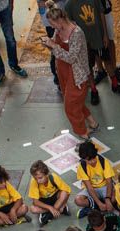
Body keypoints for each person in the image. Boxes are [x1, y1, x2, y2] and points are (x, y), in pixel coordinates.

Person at [40, 3, 94, 139]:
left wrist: (53, 46)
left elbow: (71, 58)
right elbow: (55, 48)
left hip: (77, 74)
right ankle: (92, 122)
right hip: (63, 72)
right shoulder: (58, 29)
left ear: (60, 20)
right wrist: (48, 45)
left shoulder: (77, 33)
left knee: (70, 106)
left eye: (52, 24)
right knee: (74, 102)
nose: (52, 27)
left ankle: (83, 133)